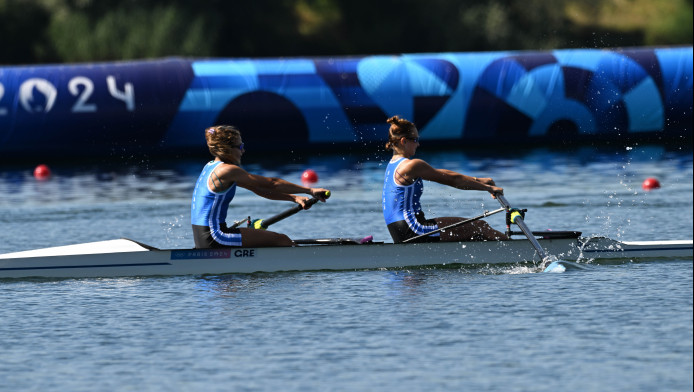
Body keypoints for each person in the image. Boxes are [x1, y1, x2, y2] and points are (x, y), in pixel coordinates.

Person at [191, 125, 330, 248]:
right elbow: (272, 183)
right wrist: (310, 190)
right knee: (283, 240)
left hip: (203, 237)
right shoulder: (227, 170)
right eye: (240, 146)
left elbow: (258, 189)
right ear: (227, 149)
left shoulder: (210, 167)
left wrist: (294, 198)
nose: (243, 150)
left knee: (270, 240)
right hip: (216, 237)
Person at [382, 116, 509, 243]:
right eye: (415, 139)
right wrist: (489, 188)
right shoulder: (411, 165)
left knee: (474, 234)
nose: (418, 144)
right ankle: (519, 254)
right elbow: (453, 180)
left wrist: (478, 180)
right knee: (480, 227)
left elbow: (441, 173)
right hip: (414, 230)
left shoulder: (393, 165)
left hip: (400, 231)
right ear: (403, 141)